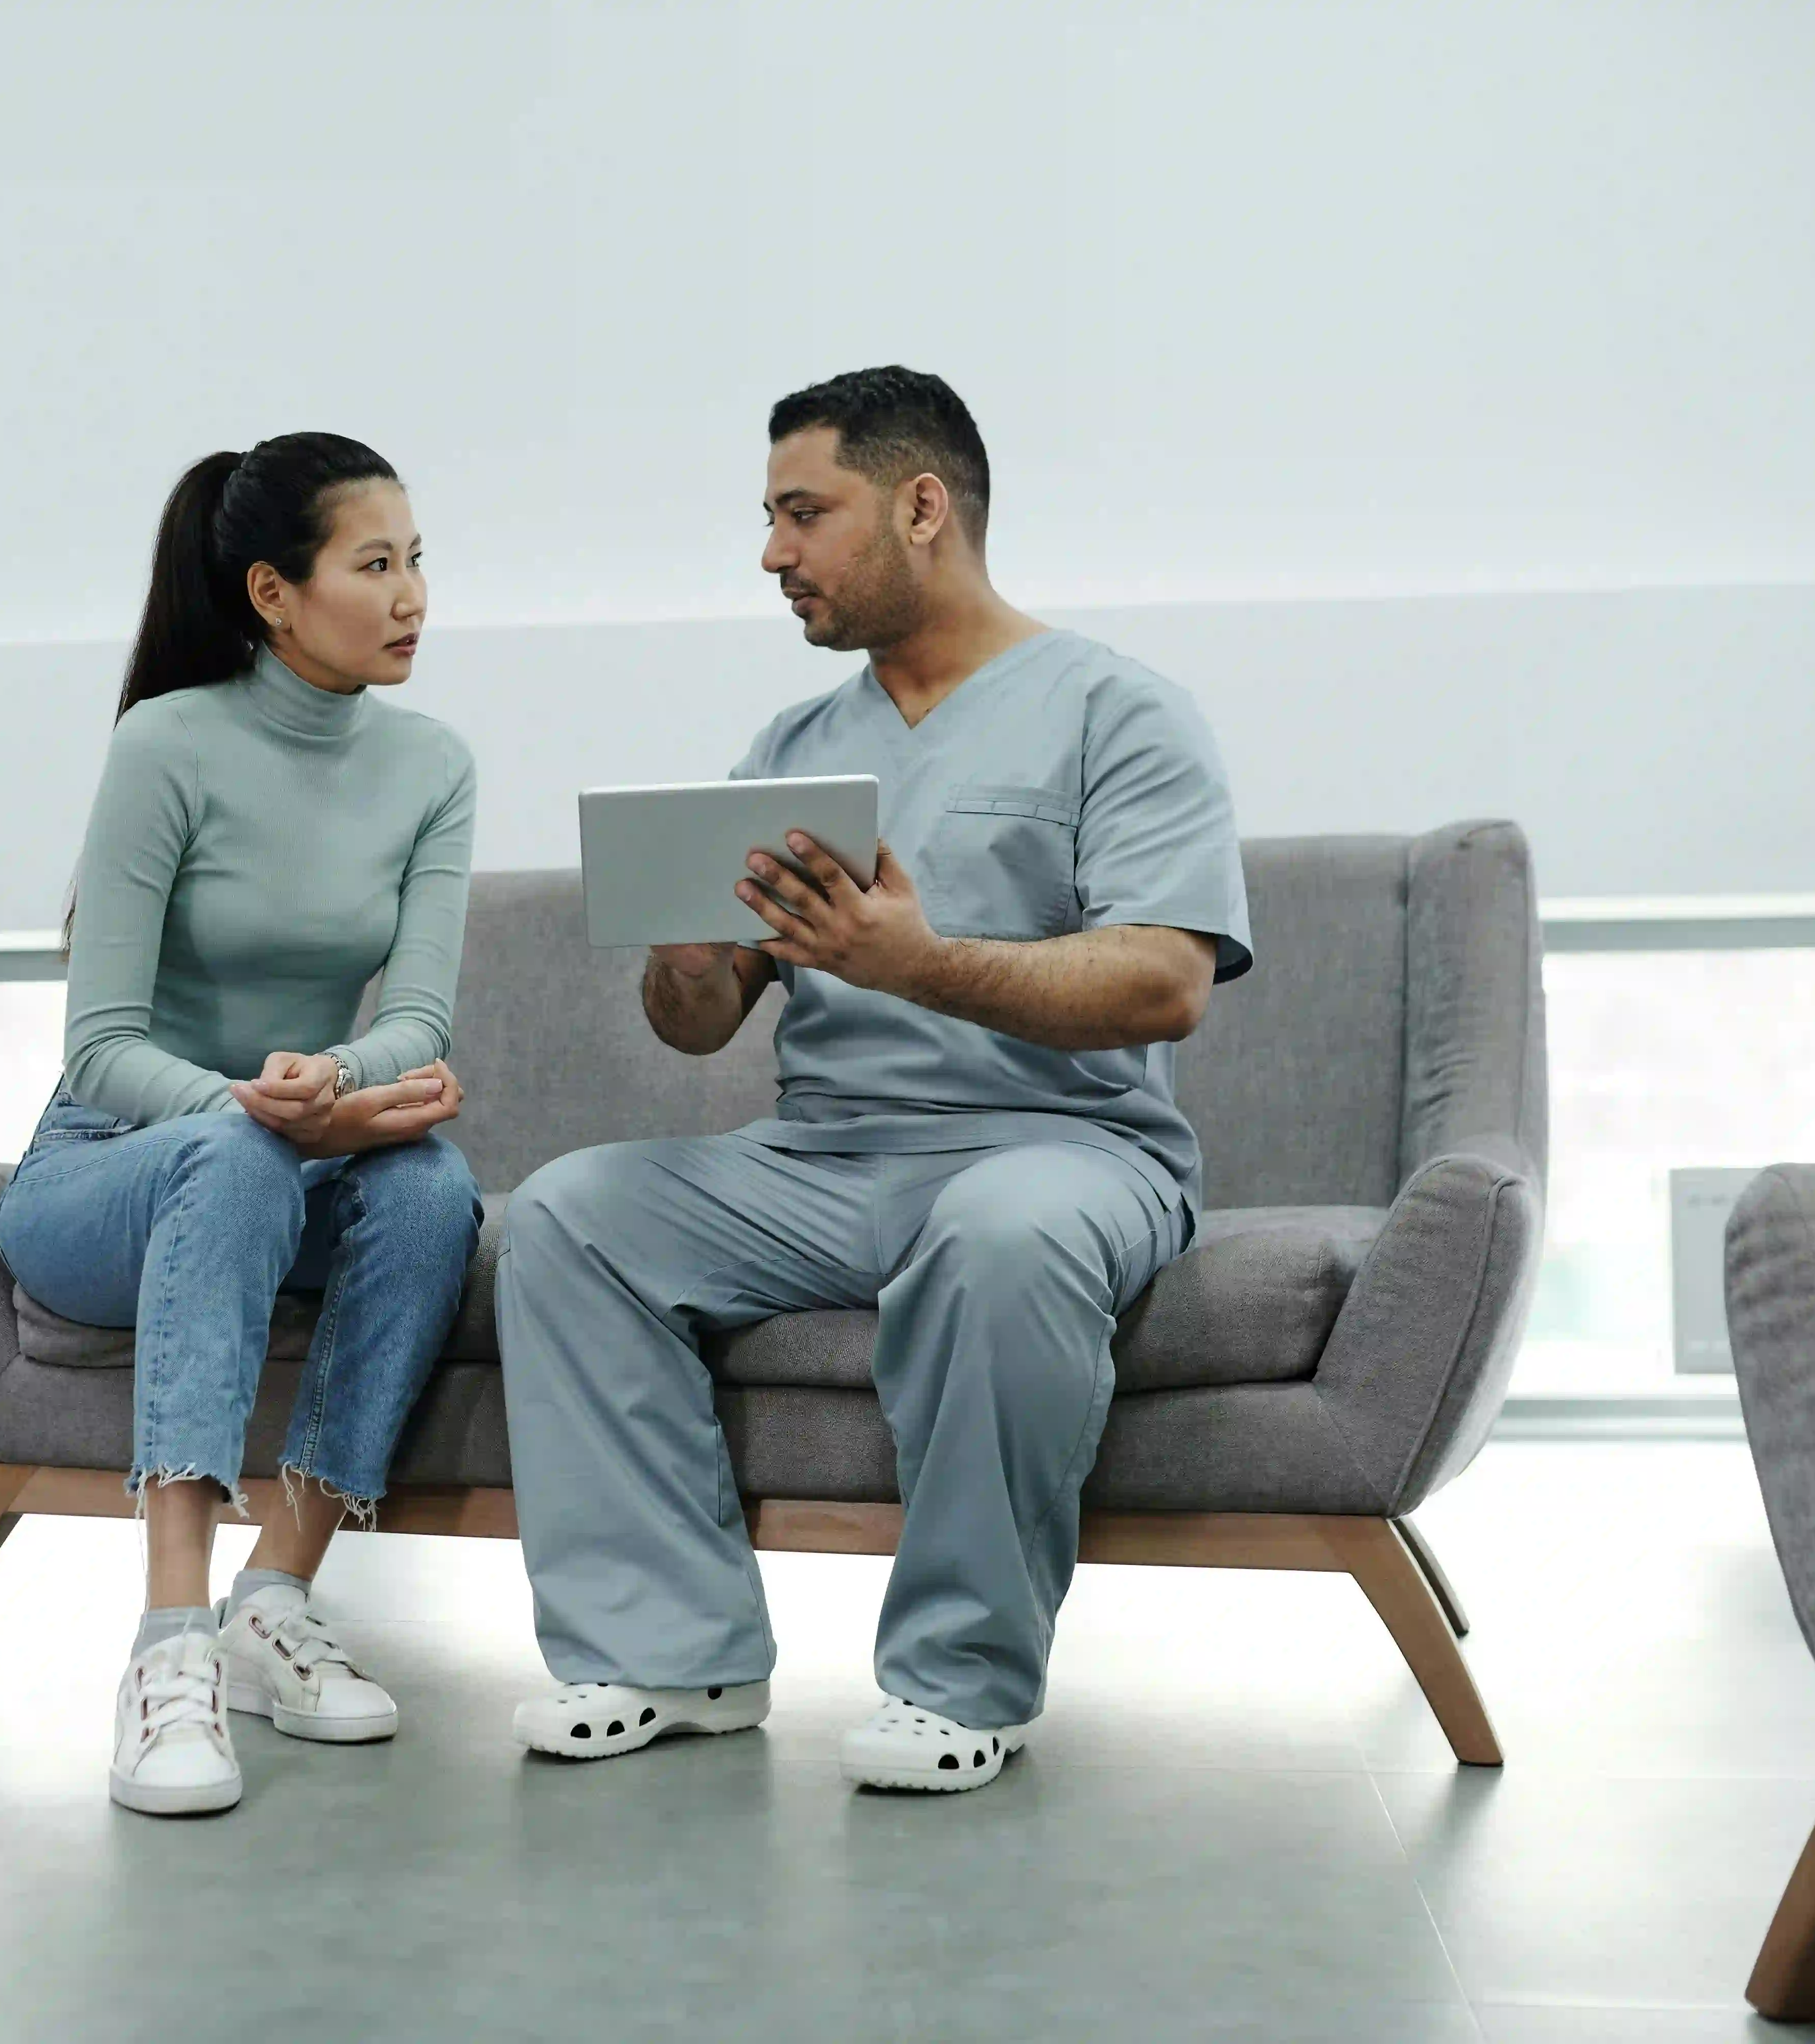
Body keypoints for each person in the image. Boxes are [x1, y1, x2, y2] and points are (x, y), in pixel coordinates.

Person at [499, 367, 1252, 1793]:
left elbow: (1167, 982)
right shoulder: (791, 752)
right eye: (771, 519)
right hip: (829, 1160)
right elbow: (699, 1023)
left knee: (1002, 1233)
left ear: (921, 508)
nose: (773, 552)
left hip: (1068, 1148)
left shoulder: (1120, 712)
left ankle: (960, 1684)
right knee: (568, 1213)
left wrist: (915, 962)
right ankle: (674, 1655)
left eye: (803, 513)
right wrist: (687, 964)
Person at [0, 433, 482, 1817]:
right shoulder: (164, 749)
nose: (412, 598)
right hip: (104, 1172)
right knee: (233, 1147)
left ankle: (275, 1599)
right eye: (374, 566)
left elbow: (419, 1021)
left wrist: (336, 1096)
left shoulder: (432, 766)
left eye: (417, 562)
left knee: (435, 1186)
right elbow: (99, 1051)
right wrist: (263, 1113)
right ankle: (168, 1649)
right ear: (275, 593)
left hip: (291, 1137)